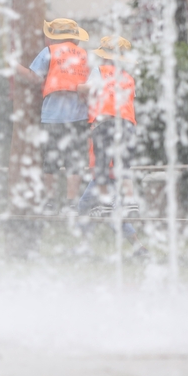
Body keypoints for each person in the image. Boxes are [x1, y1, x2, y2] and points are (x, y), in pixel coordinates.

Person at [76, 36, 148, 258]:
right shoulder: (128, 77)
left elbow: (87, 89)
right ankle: (130, 204)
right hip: (127, 127)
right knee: (123, 169)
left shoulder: (101, 71)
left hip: (105, 135)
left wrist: (78, 87)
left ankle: (86, 246)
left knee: (87, 205)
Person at [15, 18, 90, 214]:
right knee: (75, 161)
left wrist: (13, 66)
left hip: (53, 116)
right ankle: (71, 202)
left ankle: (49, 201)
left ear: (53, 37)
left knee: (51, 160)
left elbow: (34, 77)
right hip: (79, 115)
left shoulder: (49, 52)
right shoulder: (84, 55)